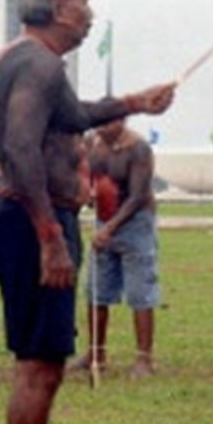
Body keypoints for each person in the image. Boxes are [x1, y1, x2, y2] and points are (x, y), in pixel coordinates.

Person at [0, 0, 175, 424]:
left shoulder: (31, 62)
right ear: (55, 8)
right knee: (39, 365)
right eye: (84, 2)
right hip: (31, 220)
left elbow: (72, 116)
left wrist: (136, 102)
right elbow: (20, 149)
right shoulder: (39, 64)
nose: (90, 14)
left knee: (41, 363)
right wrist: (50, 235)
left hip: (29, 217)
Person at [67, 118, 160, 378]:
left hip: (135, 224)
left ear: (121, 122)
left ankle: (144, 358)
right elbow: (83, 176)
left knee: (140, 292)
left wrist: (110, 228)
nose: (101, 130)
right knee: (96, 290)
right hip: (104, 220)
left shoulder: (138, 149)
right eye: (99, 125)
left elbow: (138, 195)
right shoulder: (92, 143)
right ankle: (96, 351)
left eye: (107, 125)